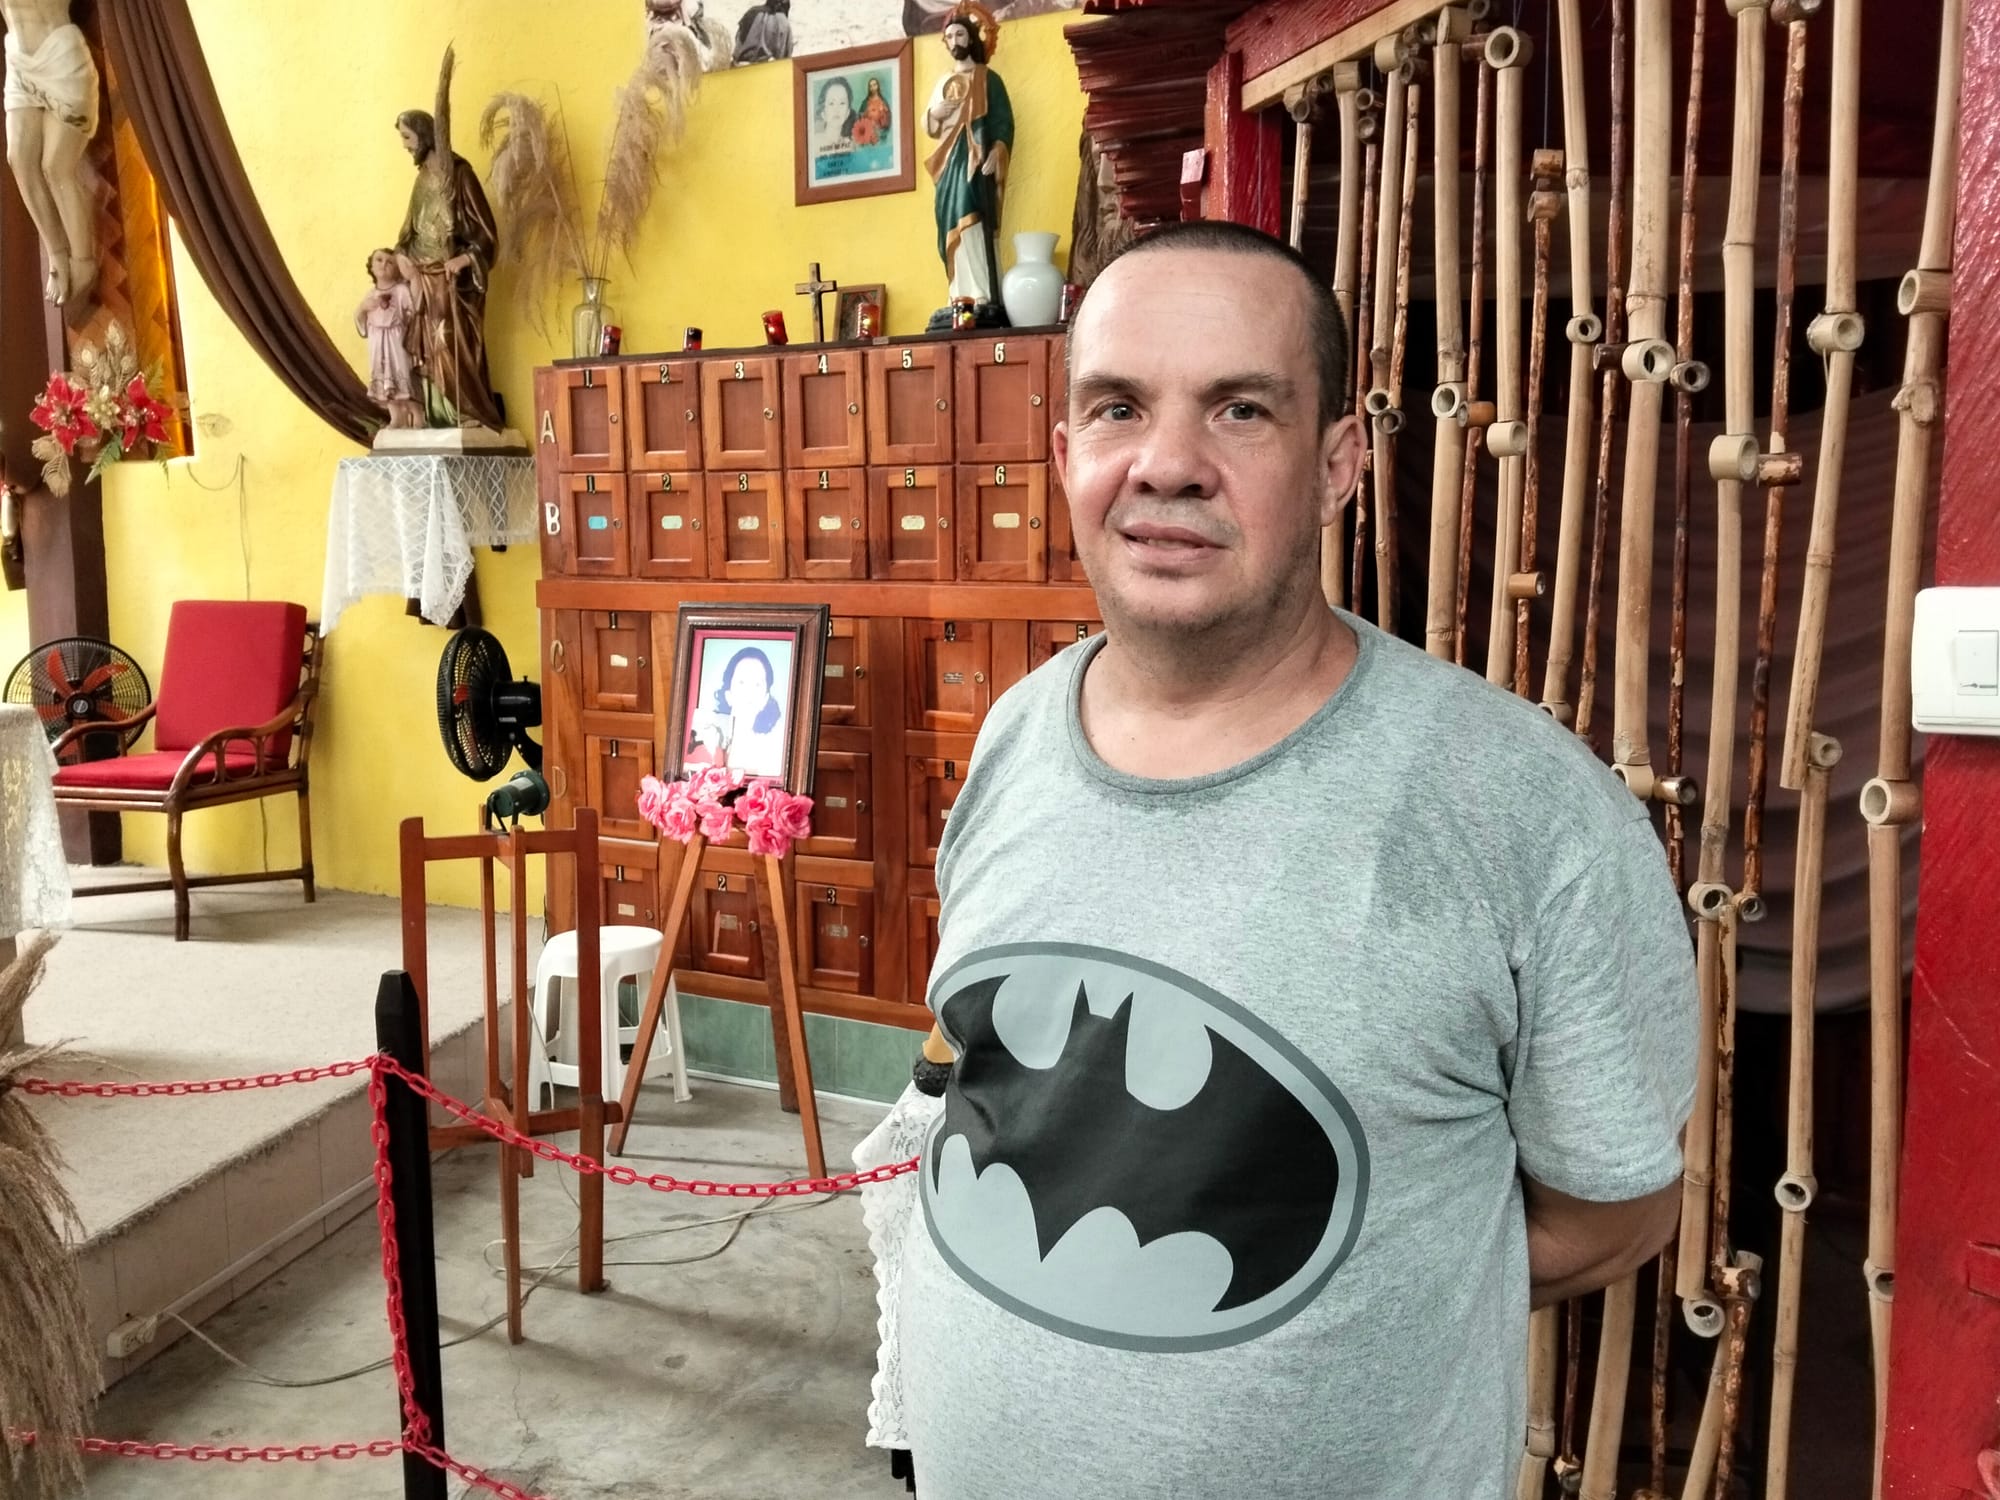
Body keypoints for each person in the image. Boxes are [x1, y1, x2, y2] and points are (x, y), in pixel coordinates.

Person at [890, 221, 1698, 1497]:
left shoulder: (1519, 810)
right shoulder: (1012, 738)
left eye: (1240, 412)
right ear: (1063, 457)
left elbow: (1610, 1218)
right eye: (1116, 409)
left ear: (1338, 464)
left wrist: (1354, 1292)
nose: (1167, 465)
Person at [393, 46, 506, 432]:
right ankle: (436, 414)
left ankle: (467, 410)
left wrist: (466, 259)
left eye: (408, 137)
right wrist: (402, 256)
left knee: (453, 347)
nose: (405, 145)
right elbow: (408, 231)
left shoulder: (458, 173)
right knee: (425, 352)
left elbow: (487, 233)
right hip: (422, 281)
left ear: (424, 135)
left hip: (451, 282)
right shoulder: (423, 176)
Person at [2, 0, 97, 307]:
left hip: (59, 53)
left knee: (55, 166)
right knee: (19, 159)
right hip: (18, 61)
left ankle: (84, 260)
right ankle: (56, 252)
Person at [922, 3, 1011, 317]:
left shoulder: (991, 80)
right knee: (949, 222)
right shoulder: (944, 83)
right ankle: (958, 293)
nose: (954, 40)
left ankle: (983, 292)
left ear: (972, 37)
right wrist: (936, 113)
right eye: (949, 36)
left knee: (973, 221)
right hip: (950, 164)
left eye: (960, 33)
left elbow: (1003, 121)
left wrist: (997, 151)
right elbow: (930, 126)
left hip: (976, 163)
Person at [355, 249, 421, 430]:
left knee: (402, 375)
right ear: (371, 266)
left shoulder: (401, 290)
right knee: (384, 378)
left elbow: (414, 310)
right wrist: (362, 308)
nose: (384, 264)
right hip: (377, 342)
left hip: (396, 339)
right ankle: (396, 417)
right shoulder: (370, 294)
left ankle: (417, 414)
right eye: (379, 260)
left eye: (390, 262)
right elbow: (360, 320)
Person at [708, 645, 786, 779]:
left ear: (766, 698)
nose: (749, 691)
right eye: (742, 682)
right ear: (728, 694)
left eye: (757, 684)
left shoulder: (776, 751)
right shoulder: (707, 739)